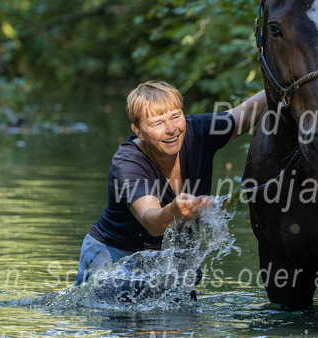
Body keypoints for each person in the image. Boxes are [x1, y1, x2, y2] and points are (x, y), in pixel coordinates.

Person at [74, 80, 267, 287]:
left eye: (176, 117)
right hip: (115, 257)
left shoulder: (198, 133)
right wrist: (172, 211)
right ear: (138, 131)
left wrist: (291, 79)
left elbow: (247, 113)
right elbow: (152, 222)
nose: (171, 129)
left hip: (170, 261)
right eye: (157, 123)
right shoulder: (128, 163)